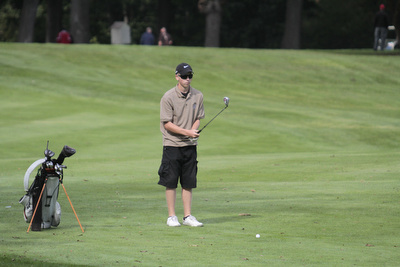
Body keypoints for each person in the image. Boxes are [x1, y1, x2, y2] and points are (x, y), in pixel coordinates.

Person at [158, 63, 205, 227]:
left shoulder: (198, 96)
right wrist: (188, 132)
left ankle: (187, 216)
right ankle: (172, 216)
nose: (187, 79)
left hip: (189, 146)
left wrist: (193, 129)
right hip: (172, 144)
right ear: (177, 76)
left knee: (188, 182)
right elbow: (167, 124)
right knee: (170, 181)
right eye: (184, 76)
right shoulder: (168, 97)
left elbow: (198, 117)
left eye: (190, 76)